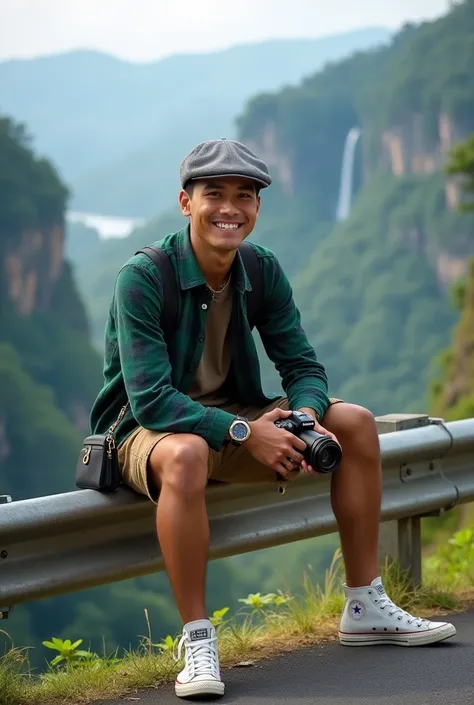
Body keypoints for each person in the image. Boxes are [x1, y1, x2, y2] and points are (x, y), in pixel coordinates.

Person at [90, 138, 456, 700]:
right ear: (186, 203)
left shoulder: (260, 270)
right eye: (214, 194)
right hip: (145, 430)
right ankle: (197, 639)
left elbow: (303, 364)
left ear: (258, 207)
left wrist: (305, 418)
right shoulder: (143, 277)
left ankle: (364, 604)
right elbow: (151, 400)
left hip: (234, 416)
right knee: (187, 451)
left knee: (354, 421)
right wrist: (245, 433)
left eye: (245, 195)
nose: (230, 208)